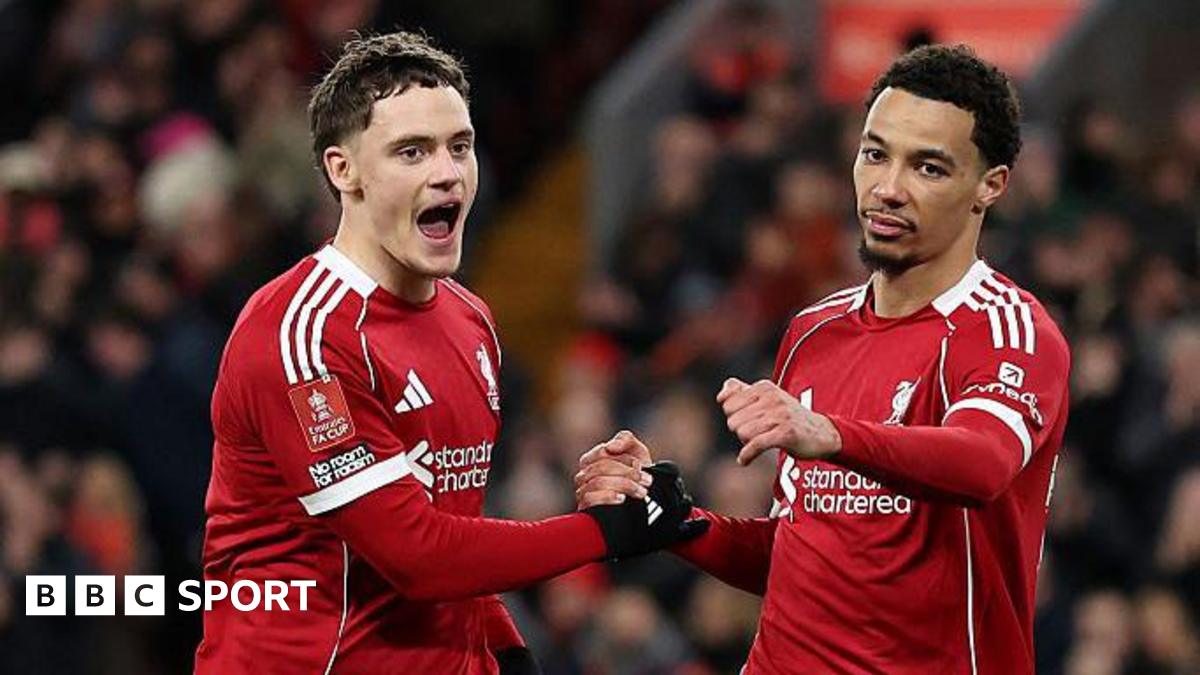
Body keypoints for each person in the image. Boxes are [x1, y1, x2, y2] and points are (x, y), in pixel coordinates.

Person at [196, 32, 705, 674]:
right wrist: (604, 532)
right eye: (412, 151)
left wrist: (504, 648)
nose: (448, 172)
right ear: (343, 170)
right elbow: (417, 556)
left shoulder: (470, 320)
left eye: (459, 146)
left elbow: (456, 526)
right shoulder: (302, 336)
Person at [577, 44, 1070, 673]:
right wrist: (677, 523)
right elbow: (800, 554)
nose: (887, 189)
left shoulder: (1007, 330)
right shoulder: (814, 331)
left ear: (989, 186)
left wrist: (831, 434)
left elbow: (983, 463)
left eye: (928, 168)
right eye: (875, 154)